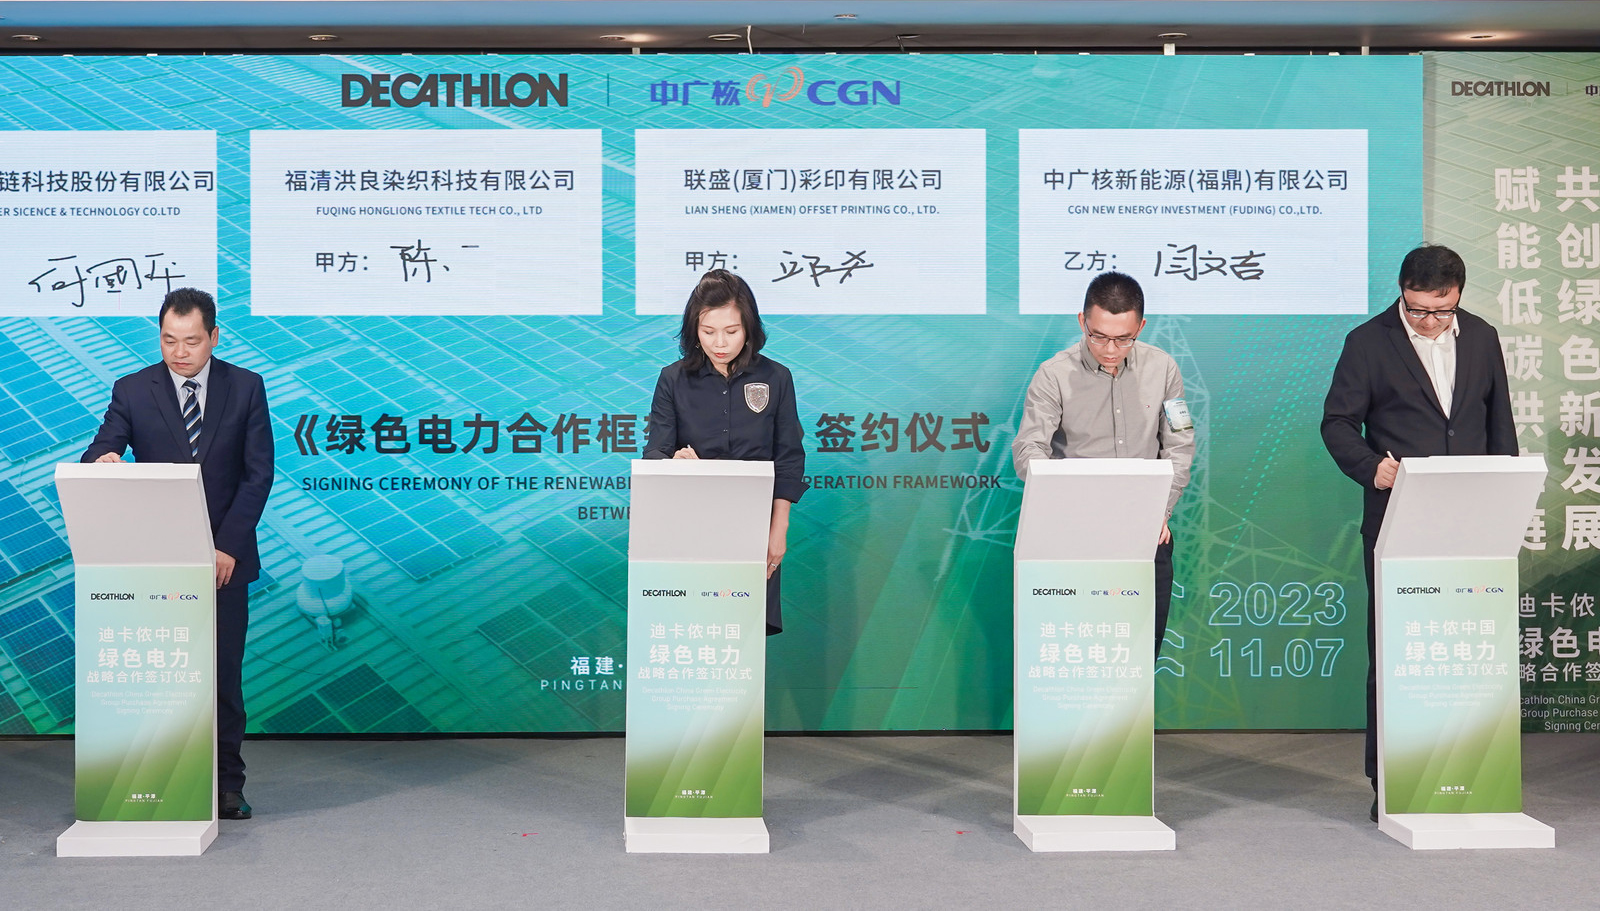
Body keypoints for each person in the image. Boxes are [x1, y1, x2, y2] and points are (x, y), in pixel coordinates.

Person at [1320, 244, 1516, 822]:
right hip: (1398, 516)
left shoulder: (1481, 337)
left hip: (1473, 520)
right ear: (1402, 293)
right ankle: (1390, 782)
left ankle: (1469, 772)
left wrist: (1504, 501)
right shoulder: (1368, 342)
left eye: (1442, 310)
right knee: (1397, 649)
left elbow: (1499, 424)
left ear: (1458, 297)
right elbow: (1337, 422)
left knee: (1470, 648)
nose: (1430, 321)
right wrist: (1371, 467)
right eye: (1418, 309)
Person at [81, 287, 274, 821]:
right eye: (169, 340)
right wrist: (104, 459)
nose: (179, 352)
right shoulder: (132, 389)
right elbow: (102, 444)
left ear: (214, 336)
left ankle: (227, 786)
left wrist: (226, 545)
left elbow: (258, 474)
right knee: (162, 676)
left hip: (224, 560)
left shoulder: (246, 387)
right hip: (156, 561)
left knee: (222, 677)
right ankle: (161, 780)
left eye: (191, 341)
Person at [1012, 271, 1195, 656]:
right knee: (1076, 654)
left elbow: (1180, 443)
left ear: (1141, 327)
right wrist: (1066, 506)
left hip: (1145, 533)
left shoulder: (1164, 369)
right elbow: (1028, 450)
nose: (1110, 349)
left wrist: (1160, 511)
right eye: (1098, 336)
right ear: (1083, 321)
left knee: (1139, 656)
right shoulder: (1053, 375)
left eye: (1124, 339)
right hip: (1072, 538)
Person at [643, 269, 807, 634]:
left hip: (755, 527)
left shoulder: (776, 378)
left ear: (748, 328)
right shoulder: (673, 379)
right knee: (691, 632)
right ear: (694, 330)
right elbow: (655, 451)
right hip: (688, 526)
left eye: (731, 331)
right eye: (708, 331)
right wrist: (672, 461)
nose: (720, 343)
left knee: (742, 637)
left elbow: (789, 457)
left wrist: (778, 529)